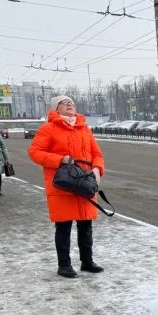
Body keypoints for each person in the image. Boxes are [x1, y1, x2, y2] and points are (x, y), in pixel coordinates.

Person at [28, 95, 105, 279]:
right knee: (63, 226)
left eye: (72, 103)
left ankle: (87, 262)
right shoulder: (48, 128)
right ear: (56, 109)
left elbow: (97, 153)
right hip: (63, 185)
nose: (70, 105)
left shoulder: (84, 128)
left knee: (86, 225)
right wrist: (59, 160)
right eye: (65, 103)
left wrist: (97, 168)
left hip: (85, 182)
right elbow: (34, 152)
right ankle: (64, 265)